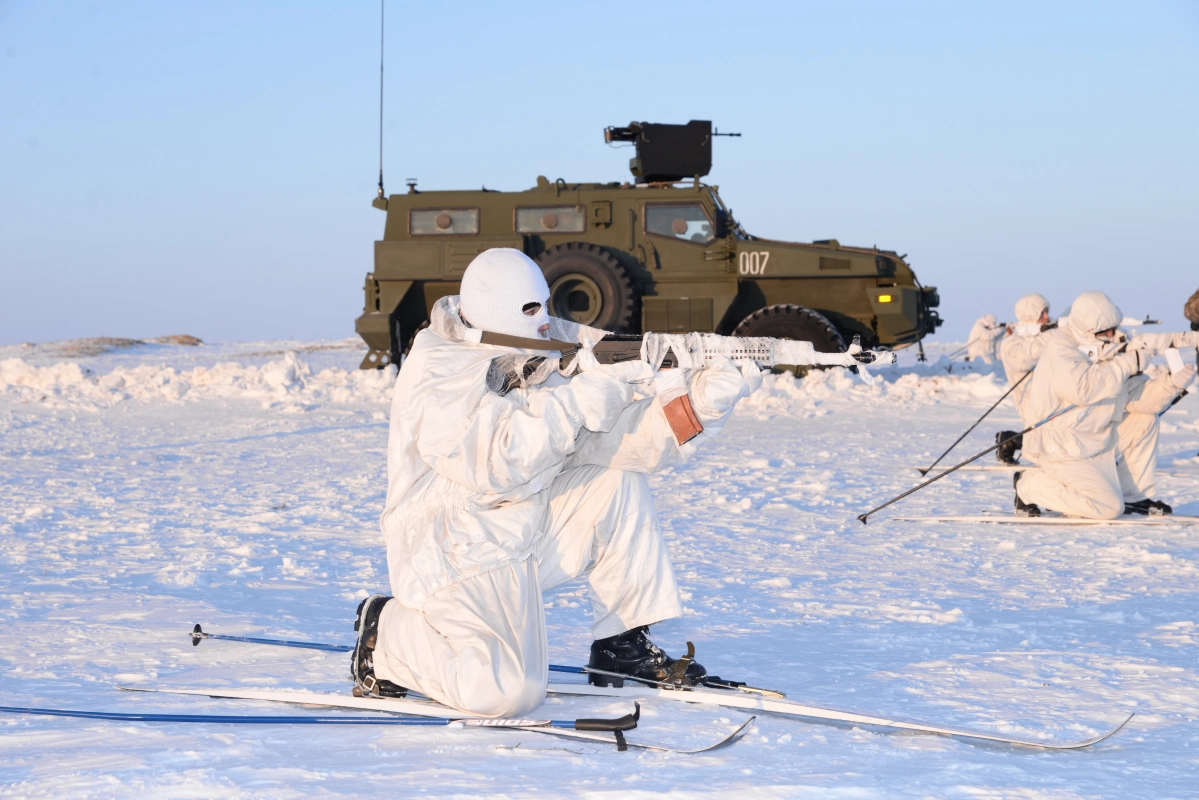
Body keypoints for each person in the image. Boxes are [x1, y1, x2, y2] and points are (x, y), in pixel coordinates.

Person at [351, 248, 761, 717]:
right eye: (530, 309)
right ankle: (387, 635)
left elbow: (618, 440)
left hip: (519, 527)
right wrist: (591, 393)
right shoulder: (439, 369)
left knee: (616, 482)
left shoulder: (544, 341)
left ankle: (620, 647)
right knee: (507, 694)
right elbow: (494, 465)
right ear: (496, 310)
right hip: (449, 550)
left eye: (546, 303)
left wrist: (701, 403)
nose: (546, 320)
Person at [1014, 291, 1192, 519]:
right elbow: (1083, 389)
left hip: (1095, 437)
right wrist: (1128, 362)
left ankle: (1134, 496)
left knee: (1145, 421)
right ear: (1088, 329)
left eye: (1114, 328)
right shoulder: (1061, 345)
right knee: (1108, 508)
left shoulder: (1106, 347)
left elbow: (1136, 397)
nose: (1112, 334)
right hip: (1061, 445)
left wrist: (1171, 384)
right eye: (1105, 330)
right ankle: (1028, 485)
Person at [995, 294, 1052, 464]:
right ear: (1030, 315)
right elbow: (1027, 356)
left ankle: (1009, 440)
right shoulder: (1012, 343)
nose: (1047, 317)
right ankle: (1009, 442)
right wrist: (1056, 336)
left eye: (1047, 312)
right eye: (1043, 313)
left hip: (1053, 399)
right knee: (1045, 447)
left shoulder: (1046, 335)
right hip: (1030, 402)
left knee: (1053, 444)